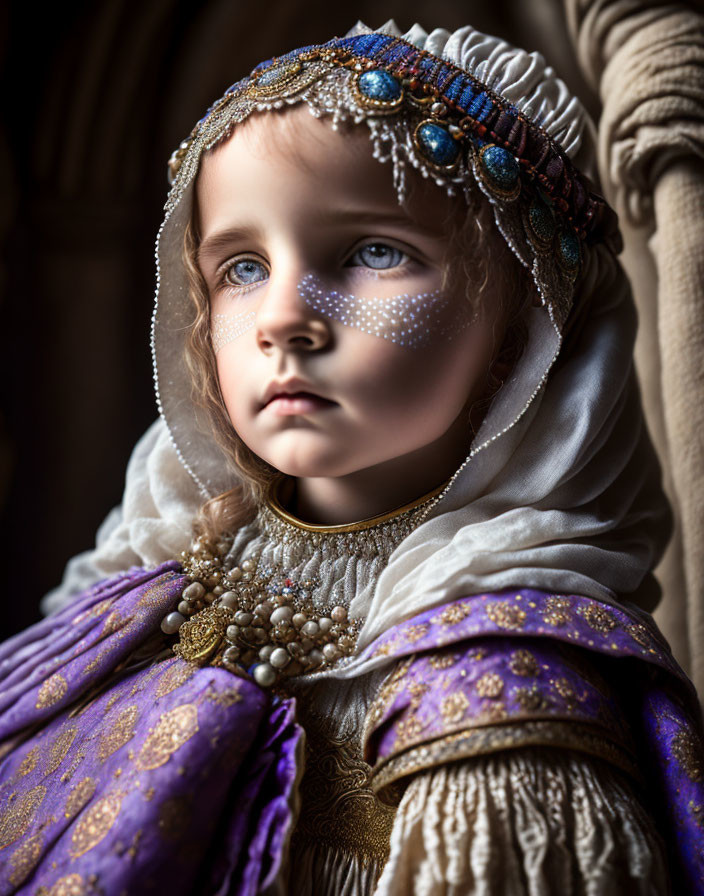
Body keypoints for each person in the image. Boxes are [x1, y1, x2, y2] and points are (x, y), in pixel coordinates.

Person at [0, 20, 702, 896]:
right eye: (243, 266)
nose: (282, 318)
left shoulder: (505, 700)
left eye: (375, 252)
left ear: (524, 324)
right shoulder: (141, 581)